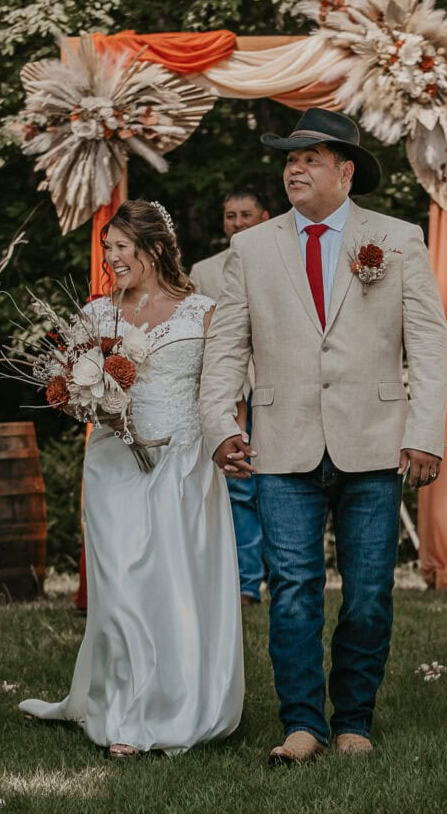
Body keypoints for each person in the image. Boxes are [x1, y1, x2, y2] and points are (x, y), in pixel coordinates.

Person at [199, 108, 447, 764]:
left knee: (369, 591)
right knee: (291, 590)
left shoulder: (395, 240)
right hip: (280, 444)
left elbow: (428, 345)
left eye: (309, 158)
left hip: (373, 441)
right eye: (288, 160)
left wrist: (424, 433)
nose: (295, 169)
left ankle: (355, 722)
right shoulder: (250, 248)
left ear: (345, 171)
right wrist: (222, 425)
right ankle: (303, 724)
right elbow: (226, 346)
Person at [19, 200, 244, 758]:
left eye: (121, 247)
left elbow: (221, 392)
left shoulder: (203, 313)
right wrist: (87, 401)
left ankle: (180, 704)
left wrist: (226, 441)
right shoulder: (97, 315)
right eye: (107, 249)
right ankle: (123, 713)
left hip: (183, 464)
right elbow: (68, 398)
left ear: (156, 249)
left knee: (173, 586)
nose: (112, 258)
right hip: (113, 463)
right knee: (119, 586)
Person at [190, 188, 270, 606]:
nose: (237, 222)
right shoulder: (203, 272)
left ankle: (284, 575)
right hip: (234, 392)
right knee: (239, 486)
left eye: (245, 214)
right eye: (230, 215)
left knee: (281, 482)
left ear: (264, 217)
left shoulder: (280, 256)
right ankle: (244, 582)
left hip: (279, 388)